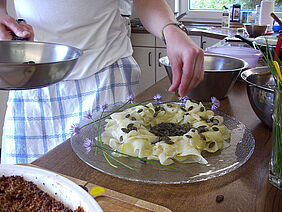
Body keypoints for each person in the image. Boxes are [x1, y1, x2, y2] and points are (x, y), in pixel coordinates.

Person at [0, 0, 204, 164]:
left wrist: (171, 30)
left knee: (106, 190)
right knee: (22, 187)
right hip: (33, 77)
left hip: (104, 77)